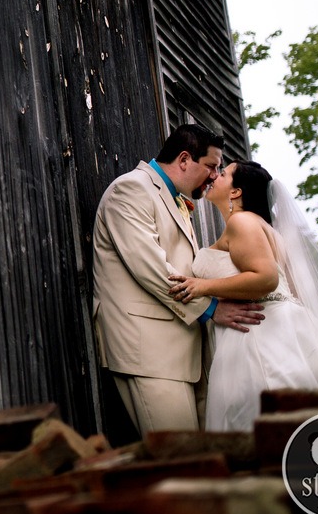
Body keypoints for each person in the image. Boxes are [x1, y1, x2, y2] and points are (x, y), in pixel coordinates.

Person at [168, 160, 318, 435]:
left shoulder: (243, 222)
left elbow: (266, 279)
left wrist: (202, 286)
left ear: (236, 192)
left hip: (259, 335)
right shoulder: (264, 229)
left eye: (224, 173)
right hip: (280, 328)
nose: (215, 177)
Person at [92, 124, 265, 436]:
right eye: (212, 166)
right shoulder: (130, 189)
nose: (215, 176)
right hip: (149, 351)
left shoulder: (178, 200)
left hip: (188, 352)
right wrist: (213, 307)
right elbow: (152, 270)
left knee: (206, 456)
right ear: (185, 159)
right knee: (180, 456)